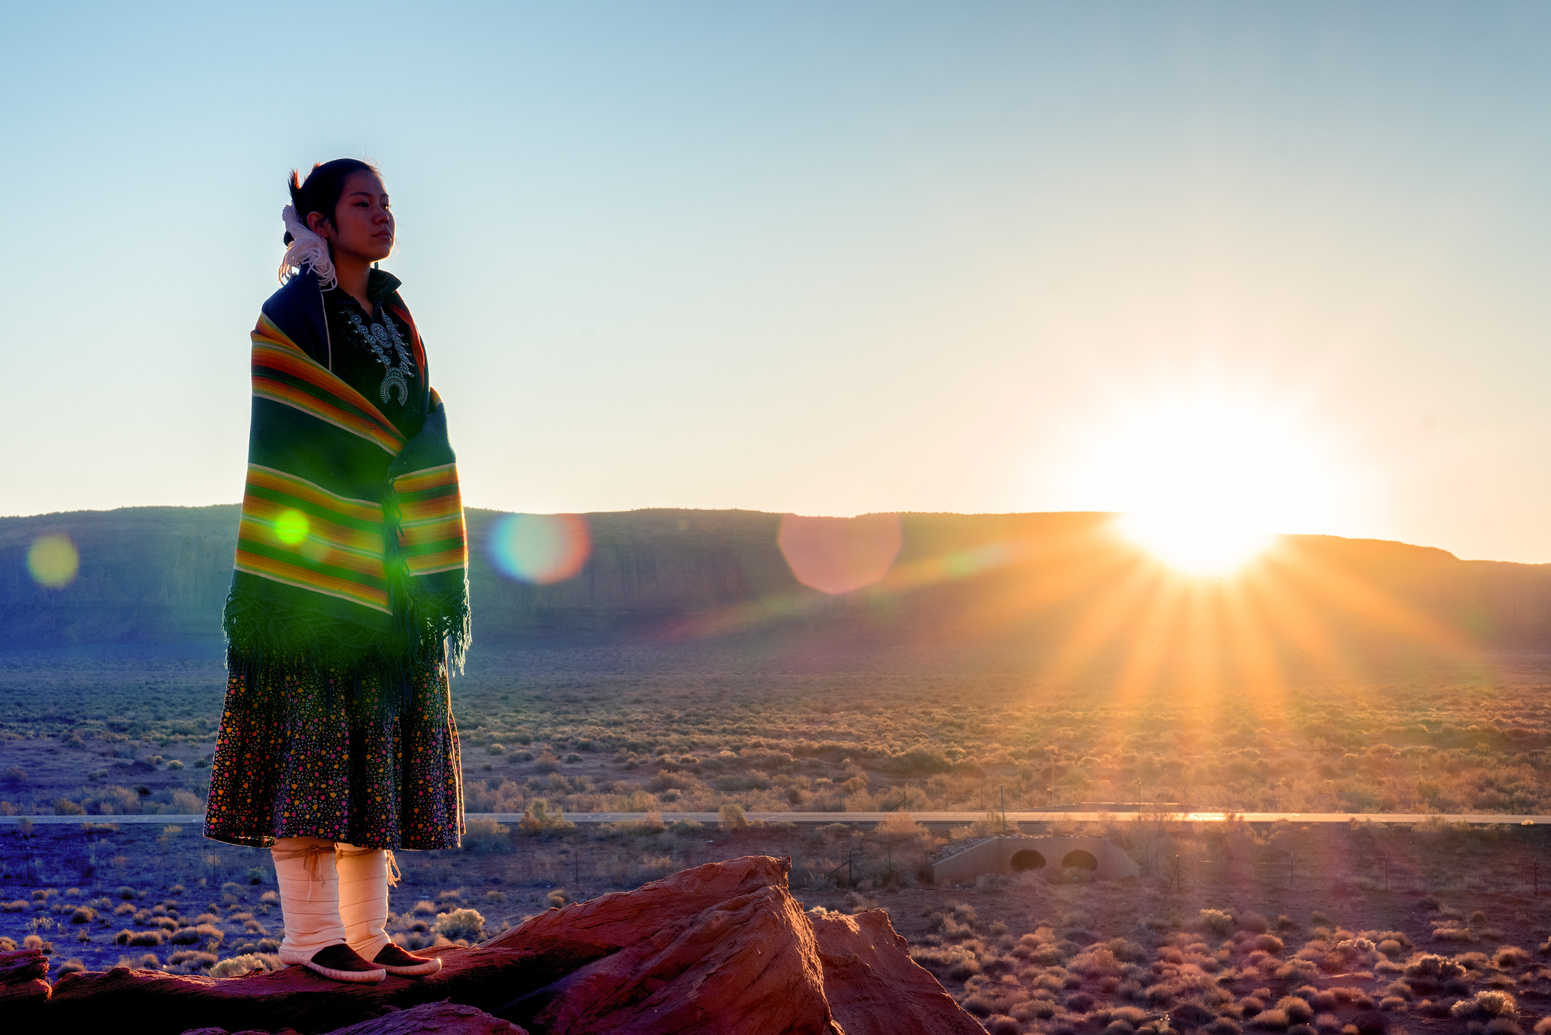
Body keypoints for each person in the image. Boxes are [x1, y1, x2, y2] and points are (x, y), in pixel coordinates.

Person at [202, 159, 471, 983]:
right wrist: (385, 463)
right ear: (318, 220)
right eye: (364, 202)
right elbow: (291, 413)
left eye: (386, 202)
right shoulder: (291, 313)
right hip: (315, 572)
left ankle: (365, 933)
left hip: (390, 565)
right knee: (315, 742)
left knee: (373, 742)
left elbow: (426, 413)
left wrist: (410, 472)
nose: (383, 215)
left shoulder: (395, 312)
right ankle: (308, 937)